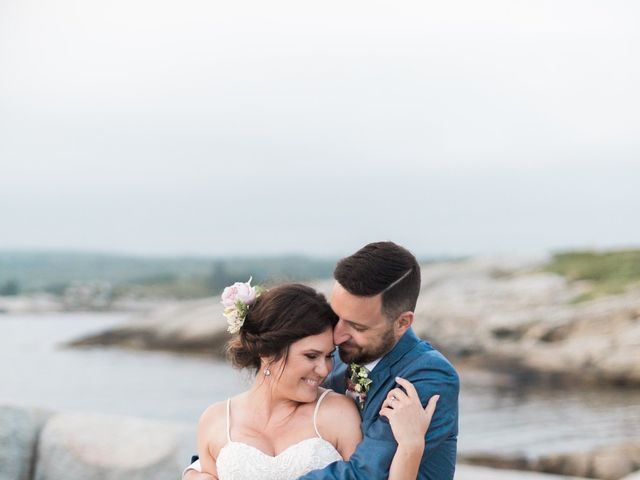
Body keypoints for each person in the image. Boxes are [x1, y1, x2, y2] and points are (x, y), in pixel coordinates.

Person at [186, 241, 459, 479]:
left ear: (402, 323)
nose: (337, 336)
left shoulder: (428, 376)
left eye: (357, 327)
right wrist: (199, 470)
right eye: (336, 316)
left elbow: (368, 473)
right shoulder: (338, 354)